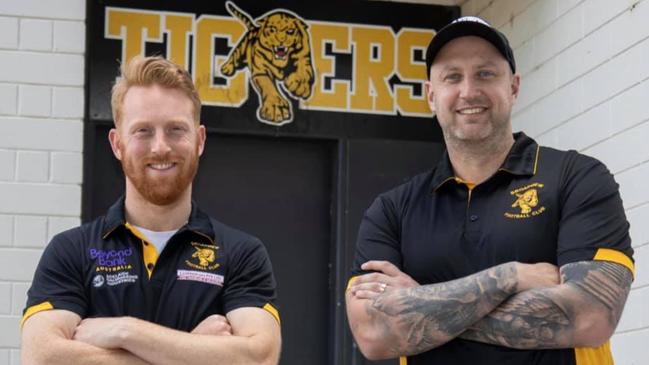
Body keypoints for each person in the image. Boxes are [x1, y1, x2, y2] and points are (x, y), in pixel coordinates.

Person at [346, 16, 635, 365]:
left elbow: (591, 318)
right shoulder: (392, 210)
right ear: (431, 95)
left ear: (513, 87)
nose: (468, 91)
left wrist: (420, 303)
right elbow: (374, 335)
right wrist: (510, 277)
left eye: (485, 73)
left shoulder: (576, 178)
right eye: (452, 76)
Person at [21, 56, 281, 365]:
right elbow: (42, 357)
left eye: (175, 130)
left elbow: (259, 358)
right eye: (143, 131)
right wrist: (195, 350)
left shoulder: (240, 254)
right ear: (117, 144)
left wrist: (124, 331)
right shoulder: (71, 251)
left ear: (199, 141)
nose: (160, 147)